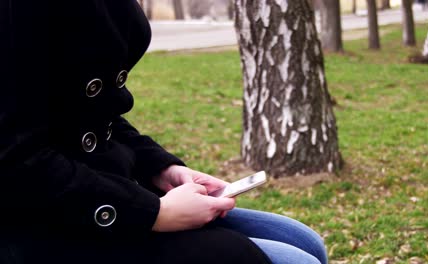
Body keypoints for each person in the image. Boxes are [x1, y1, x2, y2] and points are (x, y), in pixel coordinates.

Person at [0, 1, 327, 263]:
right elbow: (15, 159)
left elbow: (91, 115)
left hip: (104, 184)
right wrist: (150, 213)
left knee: (303, 241)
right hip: (44, 217)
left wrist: (161, 168)